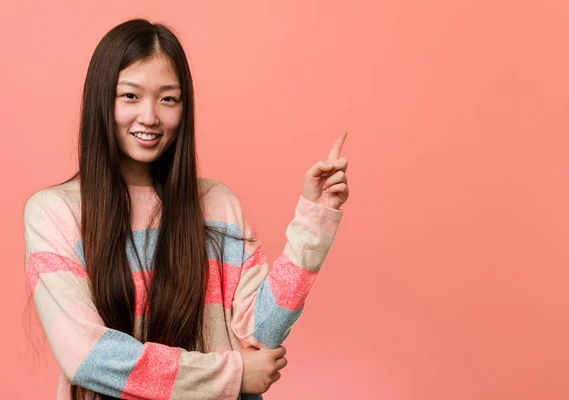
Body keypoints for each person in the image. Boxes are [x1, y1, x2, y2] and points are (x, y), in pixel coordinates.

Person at [23, 18, 349, 400]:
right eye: (130, 96)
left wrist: (316, 220)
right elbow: (87, 356)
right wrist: (231, 376)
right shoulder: (56, 213)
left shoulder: (217, 204)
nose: (149, 116)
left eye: (168, 99)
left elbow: (260, 335)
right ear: (101, 99)